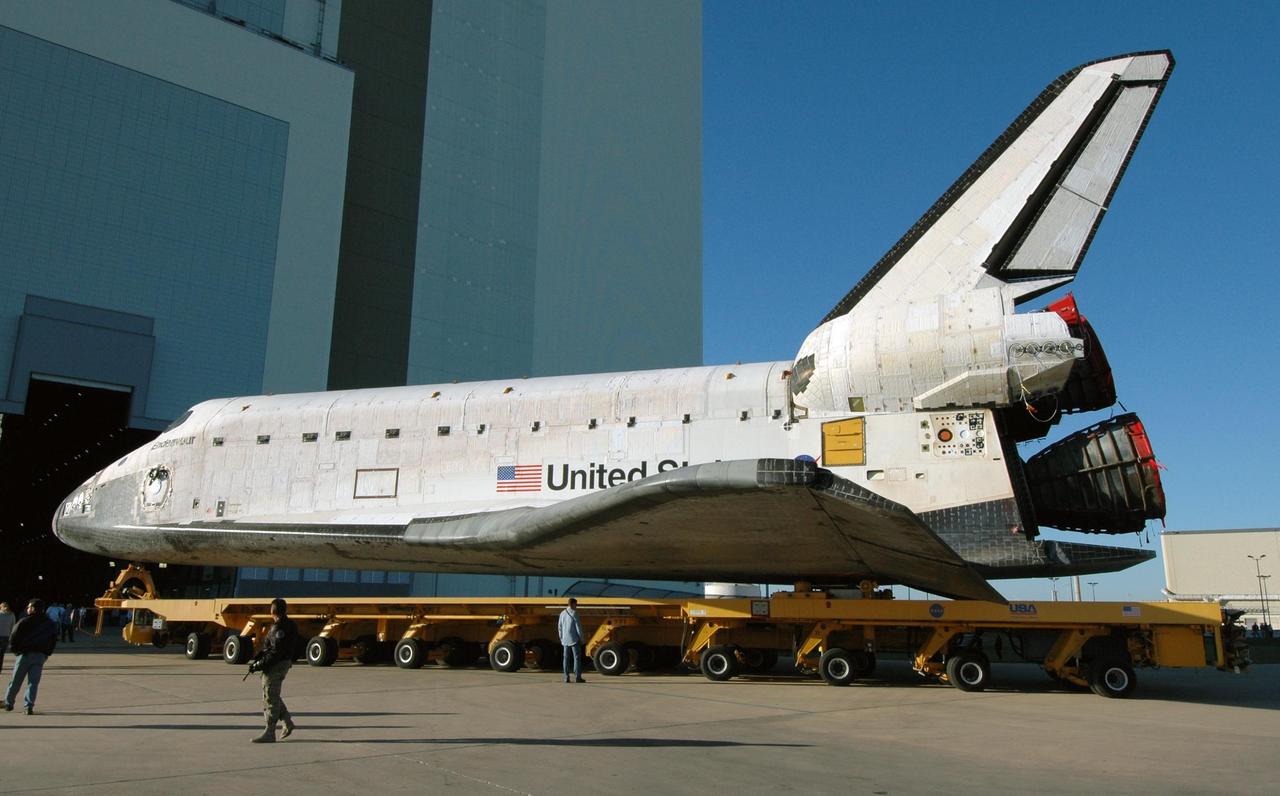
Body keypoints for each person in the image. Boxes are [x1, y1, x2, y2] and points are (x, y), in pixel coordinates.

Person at [246, 597, 298, 743]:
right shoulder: (290, 625)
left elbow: (275, 652)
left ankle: (270, 732)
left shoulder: (278, 627)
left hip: (276, 665)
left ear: (273, 611)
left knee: (270, 696)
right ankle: (287, 722)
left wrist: (259, 664)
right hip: (284, 662)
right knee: (273, 694)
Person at [5, 599, 58, 714]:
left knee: (16, 681)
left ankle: (9, 702)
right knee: (33, 683)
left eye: (29, 607)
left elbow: (13, 637)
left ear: (33, 608)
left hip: (24, 654)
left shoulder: (24, 621)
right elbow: (53, 639)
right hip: (40, 655)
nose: (27, 609)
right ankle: (28, 706)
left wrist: (15, 651)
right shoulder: (49, 623)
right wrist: (47, 653)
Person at [558, 597, 585, 683]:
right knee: (576, 658)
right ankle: (577, 677)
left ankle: (566, 677)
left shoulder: (562, 613)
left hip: (565, 640)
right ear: (573, 604)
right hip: (574, 639)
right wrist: (582, 638)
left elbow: (559, 627)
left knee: (565, 659)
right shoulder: (574, 613)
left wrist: (561, 638)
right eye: (576, 604)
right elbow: (578, 628)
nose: (576, 606)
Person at [0, 602, 14, 673]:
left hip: (3, 635)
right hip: (6, 636)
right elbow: (13, 626)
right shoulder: (12, 615)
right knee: (1, 653)